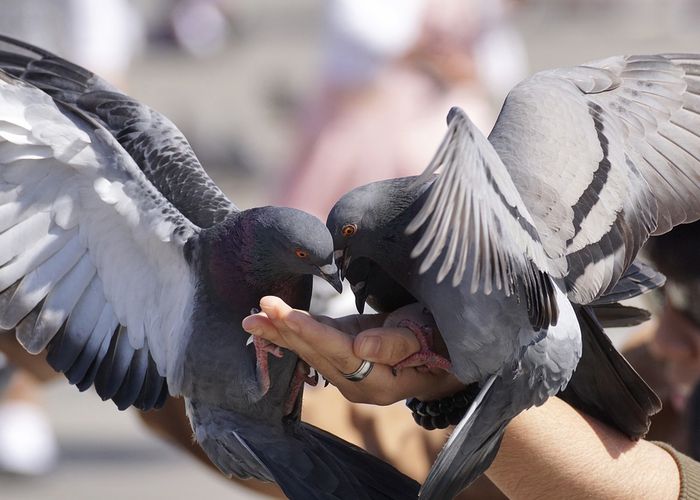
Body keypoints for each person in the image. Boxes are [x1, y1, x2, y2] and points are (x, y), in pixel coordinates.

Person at [242, 295, 700, 499]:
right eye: (671, 295)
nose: (666, 339)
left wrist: (462, 385)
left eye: (697, 306)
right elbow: (404, 452)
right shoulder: (658, 363)